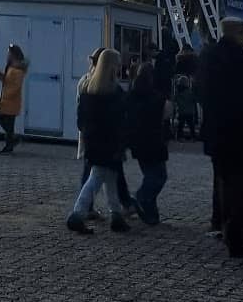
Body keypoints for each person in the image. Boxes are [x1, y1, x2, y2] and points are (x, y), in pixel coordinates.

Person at [197, 16, 243, 260]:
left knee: (223, 182)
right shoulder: (240, 60)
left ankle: (222, 223)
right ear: (237, 33)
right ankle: (236, 235)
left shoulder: (208, 57)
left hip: (216, 131)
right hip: (240, 133)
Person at [66, 48, 130, 235]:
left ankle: (116, 215)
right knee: (96, 179)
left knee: (109, 178)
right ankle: (77, 214)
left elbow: (81, 120)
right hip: (110, 144)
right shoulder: (115, 92)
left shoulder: (88, 90)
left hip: (93, 142)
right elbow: (121, 121)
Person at [127, 59, 170, 224]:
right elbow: (165, 113)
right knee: (158, 176)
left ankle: (151, 215)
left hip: (137, 142)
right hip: (153, 141)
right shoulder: (155, 97)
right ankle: (140, 198)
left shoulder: (131, 95)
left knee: (150, 175)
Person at [0, 43, 27, 154]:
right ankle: (10, 143)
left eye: (9, 53)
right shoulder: (12, 66)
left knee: (4, 120)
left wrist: (8, 93)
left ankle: (11, 142)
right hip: (8, 99)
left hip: (11, 99)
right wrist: (1, 77)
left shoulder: (17, 68)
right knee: (6, 122)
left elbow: (16, 85)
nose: (7, 55)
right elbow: (9, 81)